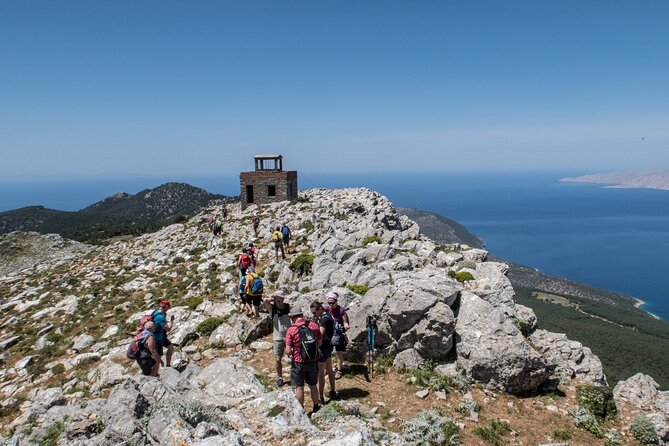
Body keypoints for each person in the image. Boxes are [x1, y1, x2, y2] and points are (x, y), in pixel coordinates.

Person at [285, 308, 322, 412]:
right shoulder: (314, 326)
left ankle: (301, 410)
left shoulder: (292, 330)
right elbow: (319, 343)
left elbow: (288, 350)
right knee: (313, 385)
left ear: (294, 317)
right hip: (313, 361)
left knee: (299, 387)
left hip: (298, 362)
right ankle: (316, 406)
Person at [310, 301, 337, 403]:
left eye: (314, 312)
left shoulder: (324, 320)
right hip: (329, 347)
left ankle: (321, 396)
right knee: (329, 369)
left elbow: (319, 336)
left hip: (323, 348)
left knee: (321, 372)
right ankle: (333, 391)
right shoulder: (328, 316)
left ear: (320, 309)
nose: (314, 315)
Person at [263, 291, 291, 387]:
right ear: (275, 300)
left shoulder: (288, 307)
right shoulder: (272, 308)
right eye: (278, 300)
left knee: (294, 357)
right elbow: (265, 301)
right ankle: (280, 377)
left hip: (289, 336)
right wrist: (273, 298)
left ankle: (297, 375)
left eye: (281, 300)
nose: (280, 302)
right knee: (278, 358)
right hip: (278, 337)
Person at [324, 292, 350, 379]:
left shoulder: (341, 310)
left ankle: (339, 370)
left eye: (332, 302)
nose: (331, 304)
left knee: (339, 352)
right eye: (329, 303)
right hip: (329, 334)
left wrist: (346, 325)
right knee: (328, 352)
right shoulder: (327, 309)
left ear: (336, 301)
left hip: (338, 334)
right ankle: (327, 369)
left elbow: (345, 321)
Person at [153, 299, 174, 371]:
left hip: (161, 336)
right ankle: (155, 373)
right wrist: (172, 321)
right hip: (157, 338)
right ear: (166, 307)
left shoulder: (157, 312)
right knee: (159, 356)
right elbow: (168, 329)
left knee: (170, 347)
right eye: (168, 308)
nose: (168, 309)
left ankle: (168, 365)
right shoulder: (160, 317)